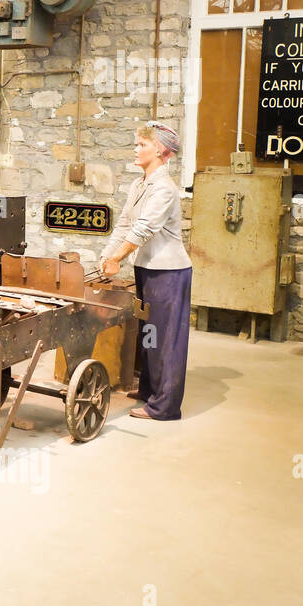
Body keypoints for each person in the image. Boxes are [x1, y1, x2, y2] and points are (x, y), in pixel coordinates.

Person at [99, 120, 193, 421]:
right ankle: (149, 389)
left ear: (161, 150)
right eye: (136, 143)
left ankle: (165, 407)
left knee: (167, 339)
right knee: (149, 332)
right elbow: (125, 223)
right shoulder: (140, 184)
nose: (136, 149)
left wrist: (119, 259)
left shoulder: (164, 188)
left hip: (169, 272)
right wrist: (106, 256)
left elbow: (144, 229)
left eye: (142, 144)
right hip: (147, 268)